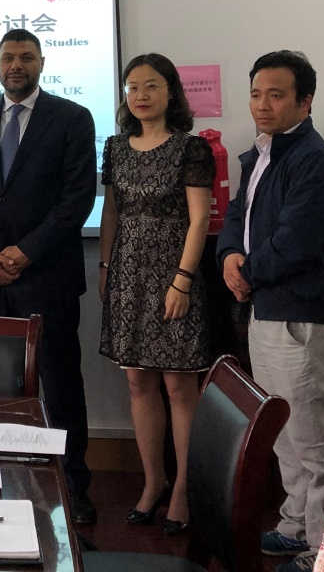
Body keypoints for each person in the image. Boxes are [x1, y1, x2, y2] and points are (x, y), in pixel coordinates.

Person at [0, 28, 98, 524]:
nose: (17, 65)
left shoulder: (72, 117)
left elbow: (77, 199)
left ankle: (72, 486)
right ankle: (4, 479)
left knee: (59, 385)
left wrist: (26, 252)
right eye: (8, 57)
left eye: (27, 57)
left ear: (41, 63)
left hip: (47, 279)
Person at [217, 50, 324, 572]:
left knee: (318, 441)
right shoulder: (262, 153)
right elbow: (238, 214)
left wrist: (246, 272)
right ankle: (297, 527)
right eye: (256, 94)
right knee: (285, 434)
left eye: (276, 95)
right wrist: (230, 256)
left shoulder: (313, 160)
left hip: (303, 315)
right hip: (267, 309)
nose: (262, 105)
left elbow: (295, 242)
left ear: (305, 101)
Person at [98, 53, 215, 535]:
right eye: (132, 87)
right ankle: (153, 482)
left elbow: (200, 219)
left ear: (171, 92)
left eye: (151, 86)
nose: (141, 95)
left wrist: (182, 280)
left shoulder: (192, 148)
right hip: (128, 275)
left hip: (174, 277)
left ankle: (184, 489)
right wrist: (106, 267)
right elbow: (111, 213)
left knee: (179, 387)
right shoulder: (115, 147)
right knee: (137, 383)